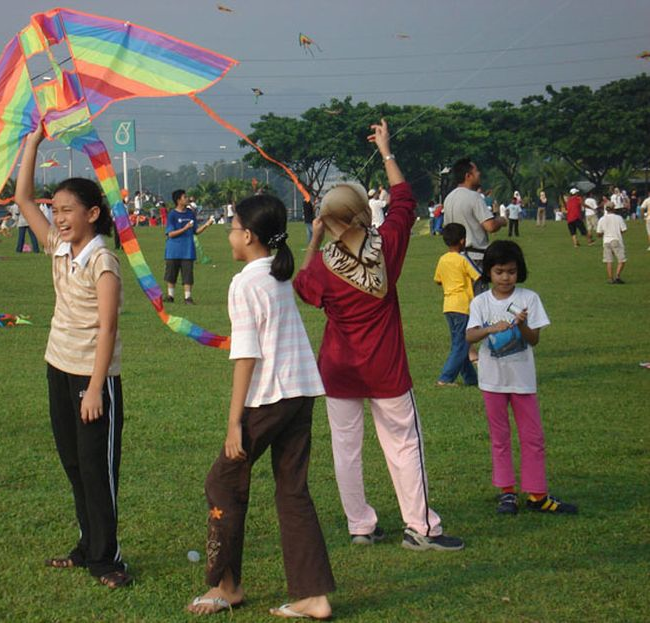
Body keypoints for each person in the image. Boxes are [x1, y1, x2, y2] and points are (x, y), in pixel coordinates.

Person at [294, 119, 464, 552]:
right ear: (364, 214)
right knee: (404, 444)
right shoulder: (386, 245)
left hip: (338, 369)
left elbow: (302, 286)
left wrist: (315, 240)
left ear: (328, 221)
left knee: (346, 449)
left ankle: (360, 526)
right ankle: (421, 528)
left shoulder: (322, 264)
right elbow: (405, 199)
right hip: (386, 368)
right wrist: (386, 151)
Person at [187, 194, 334, 620]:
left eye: (232, 227)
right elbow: (302, 273)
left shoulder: (246, 282)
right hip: (301, 392)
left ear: (248, 236)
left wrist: (235, 422)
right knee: (293, 490)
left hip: (268, 399)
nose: (229, 235)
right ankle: (313, 596)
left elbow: (246, 354)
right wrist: (316, 239)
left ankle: (225, 586)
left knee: (222, 484)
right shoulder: (278, 270)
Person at [15, 126, 131, 589]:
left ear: (93, 213)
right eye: (56, 211)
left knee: (97, 468)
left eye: (68, 211)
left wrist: (97, 388)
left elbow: (109, 327)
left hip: (91, 376)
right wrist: (32, 145)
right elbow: (24, 199)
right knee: (73, 463)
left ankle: (108, 559)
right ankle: (86, 547)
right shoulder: (61, 247)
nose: (58, 218)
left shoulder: (103, 261)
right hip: (58, 366)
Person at [466, 240, 577, 515]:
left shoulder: (529, 299)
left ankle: (538, 494)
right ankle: (506, 492)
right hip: (492, 381)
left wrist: (523, 324)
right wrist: (491, 328)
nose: (506, 278)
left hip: (523, 380)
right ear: (489, 272)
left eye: (512, 272)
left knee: (532, 437)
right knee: (499, 437)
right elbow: (469, 335)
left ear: (520, 271)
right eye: (500, 271)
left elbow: (534, 340)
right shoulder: (480, 301)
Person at [443, 158, 506, 292]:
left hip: (455, 257)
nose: (479, 174)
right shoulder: (474, 197)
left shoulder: (449, 198)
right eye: (476, 171)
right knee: (478, 299)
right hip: (475, 258)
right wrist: (501, 220)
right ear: (468, 176)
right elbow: (490, 226)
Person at [434, 223, 481, 387]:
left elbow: (438, 280)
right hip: (463, 305)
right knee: (462, 344)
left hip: (448, 306)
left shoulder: (442, 259)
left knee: (459, 344)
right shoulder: (463, 259)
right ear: (462, 240)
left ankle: (471, 379)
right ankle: (445, 378)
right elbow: (478, 276)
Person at [164, 188, 213, 304]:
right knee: (171, 274)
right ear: (178, 200)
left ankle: (188, 298)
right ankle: (170, 296)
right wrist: (185, 228)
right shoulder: (172, 215)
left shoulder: (190, 213)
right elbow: (170, 234)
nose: (187, 199)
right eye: (184, 197)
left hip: (187, 249)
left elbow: (196, 231)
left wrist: (206, 225)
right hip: (173, 250)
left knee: (188, 274)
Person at [596, 204, 628, 284]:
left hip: (606, 241)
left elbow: (599, 233)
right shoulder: (618, 218)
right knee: (622, 260)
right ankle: (617, 276)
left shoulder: (602, 219)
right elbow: (624, 229)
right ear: (614, 209)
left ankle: (610, 278)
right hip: (616, 239)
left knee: (609, 261)